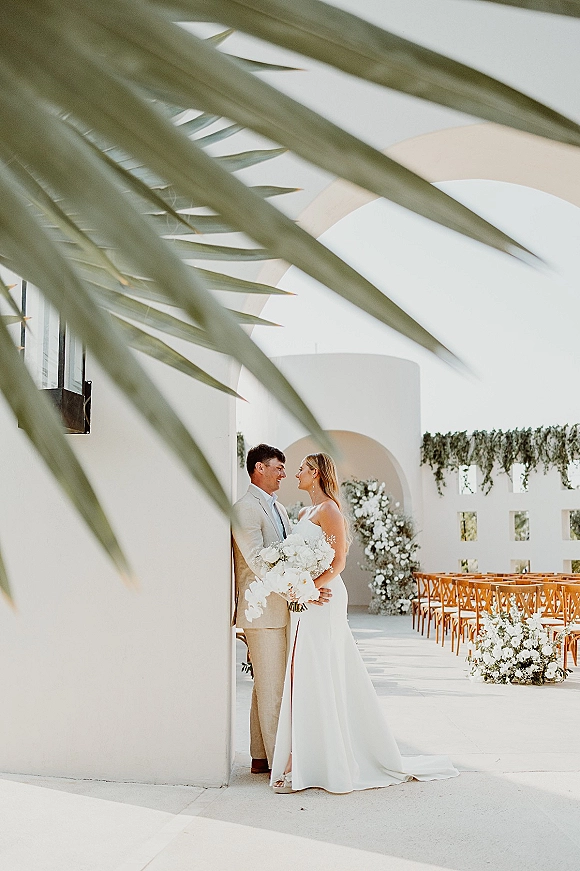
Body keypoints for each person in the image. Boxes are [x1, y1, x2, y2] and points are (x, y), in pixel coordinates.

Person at [271, 452, 459, 794]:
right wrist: (296, 586)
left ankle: (323, 762)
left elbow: (339, 562)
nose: (296, 474)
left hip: (324, 598)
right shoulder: (303, 512)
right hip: (305, 598)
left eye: (301, 470)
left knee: (321, 670)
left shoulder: (330, 511)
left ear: (315, 474)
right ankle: (302, 759)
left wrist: (310, 587)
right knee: (302, 672)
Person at [232, 443, 332, 775]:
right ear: (258, 468)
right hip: (263, 612)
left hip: (281, 609)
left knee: (268, 686)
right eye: (278, 468)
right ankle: (280, 768)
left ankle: (260, 757)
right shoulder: (246, 508)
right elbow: (258, 560)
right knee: (274, 689)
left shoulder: (278, 508)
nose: (283, 474)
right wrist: (301, 589)